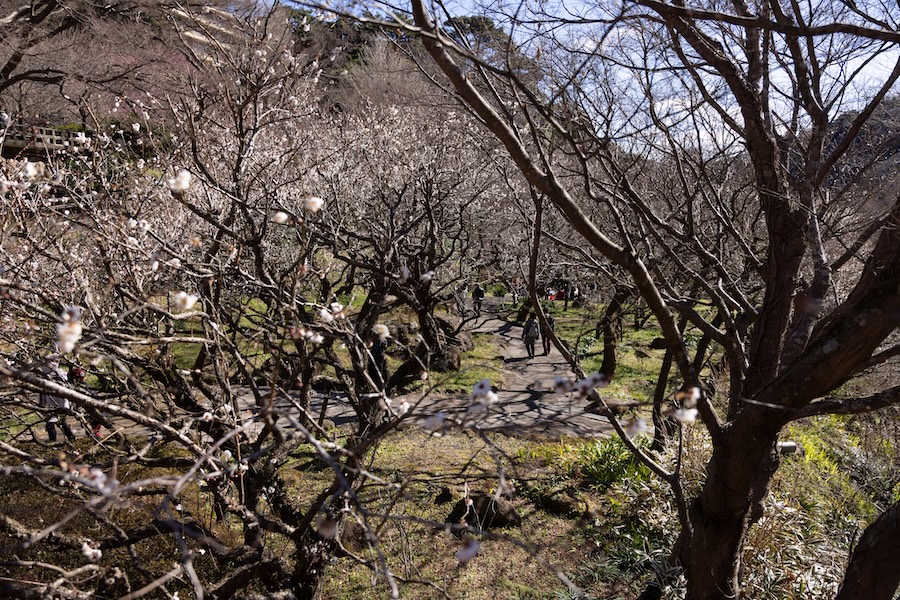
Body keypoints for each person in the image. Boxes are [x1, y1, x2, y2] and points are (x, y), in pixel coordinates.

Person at [40, 358, 75, 442]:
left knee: (61, 420)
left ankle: (70, 437)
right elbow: (42, 392)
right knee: (50, 422)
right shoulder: (44, 377)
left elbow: (66, 390)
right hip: (50, 402)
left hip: (60, 401)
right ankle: (53, 441)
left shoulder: (61, 375)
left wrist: (65, 406)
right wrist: (42, 403)